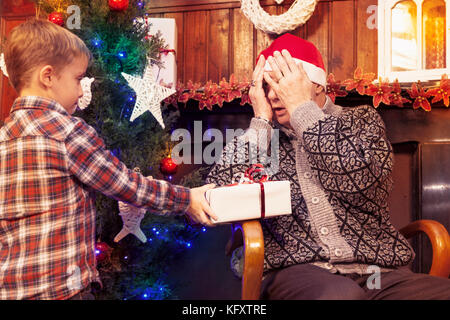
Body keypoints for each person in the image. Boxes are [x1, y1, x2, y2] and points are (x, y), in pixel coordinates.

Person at [206, 33, 450, 299]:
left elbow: (361, 182)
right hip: (300, 272)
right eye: (266, 86)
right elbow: (220, 200)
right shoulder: (263, 139)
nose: (274, 95)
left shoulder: (361, 120)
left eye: (284, 83)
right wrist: (261, 121)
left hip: (379, 273)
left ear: (318, 85)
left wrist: (303, 111)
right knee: (339, 296)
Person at [0, 18, 217, 300]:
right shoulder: (67, 133)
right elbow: (127, 185)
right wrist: (187, 198)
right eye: (78, 79)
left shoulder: (5, 138)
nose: (81, 91)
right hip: (63, 292)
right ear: (48, 76)